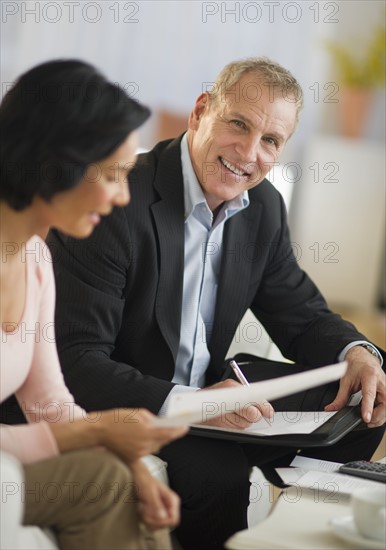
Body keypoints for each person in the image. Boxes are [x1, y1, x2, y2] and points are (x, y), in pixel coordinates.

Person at [44, 58, 386, 548]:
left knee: (367, 393)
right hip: (149, 399)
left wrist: (357, 352)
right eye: (238, 124)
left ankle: (303, 527)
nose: (249, 153)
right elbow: (77, 360)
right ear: (201, 111)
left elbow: (301, 313)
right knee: (216, 473)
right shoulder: (117, 200)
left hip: (219, 388)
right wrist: (196, 406)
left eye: (270, 140)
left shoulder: (263, 206)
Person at [0, 59, 188, 550]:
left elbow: (48, 402)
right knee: (103, 480)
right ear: (59, 163)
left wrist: (132, 461)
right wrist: (93, 435)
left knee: (132, 483)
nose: (124, 197)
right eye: (115, 175)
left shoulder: (37, 260)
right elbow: (62, 429)